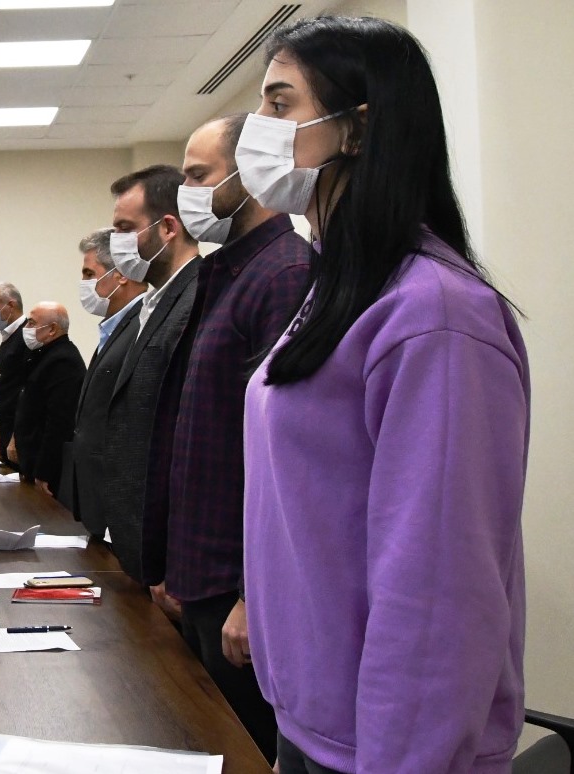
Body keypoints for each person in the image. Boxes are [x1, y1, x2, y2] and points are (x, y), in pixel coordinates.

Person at [241, 16, 527, 773]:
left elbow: (439, 587)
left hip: (387, 746)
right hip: (312, 715)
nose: (257, 127)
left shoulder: (434, 313)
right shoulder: (337, 289)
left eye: (279, 104)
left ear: (358, 129)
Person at [139, 113, 313, 761]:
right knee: (206, 741)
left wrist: (251, 594)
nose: (186, 193)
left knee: (243, 752)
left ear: (251, 174)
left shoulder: (284, 274)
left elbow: (284, 455)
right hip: (201, 573)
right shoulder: (228, 273)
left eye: (197, 175)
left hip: (236, 586)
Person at [93, 166, 200, 585]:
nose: (116, 241)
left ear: (168, 228)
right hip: (137, 539)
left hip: (172, 549)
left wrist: (179, 562)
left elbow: (190, 437)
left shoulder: (198, 297)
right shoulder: (153, 303)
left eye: (125, 228)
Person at [59, 228, 146, 520]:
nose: (84, 283)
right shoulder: (114, 328)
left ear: (120, 275)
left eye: (89, 273)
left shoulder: (142, 326)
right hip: (95, 489)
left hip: (118, 491)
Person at [11, 302, 85, 495]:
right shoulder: (42, 355)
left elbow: (59, 423)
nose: (26, 328)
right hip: (31, 461)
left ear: (52, 329)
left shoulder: (63, 361)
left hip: (48, 471)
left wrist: (45, 472)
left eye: (32, 323)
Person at [0, 282, 29, 466]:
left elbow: (27, 392)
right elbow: (5, 389)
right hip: (6, 428)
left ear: (11, 305)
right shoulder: (8, 336)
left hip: (20, 432)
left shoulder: (27, 336)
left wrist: (16, 436)